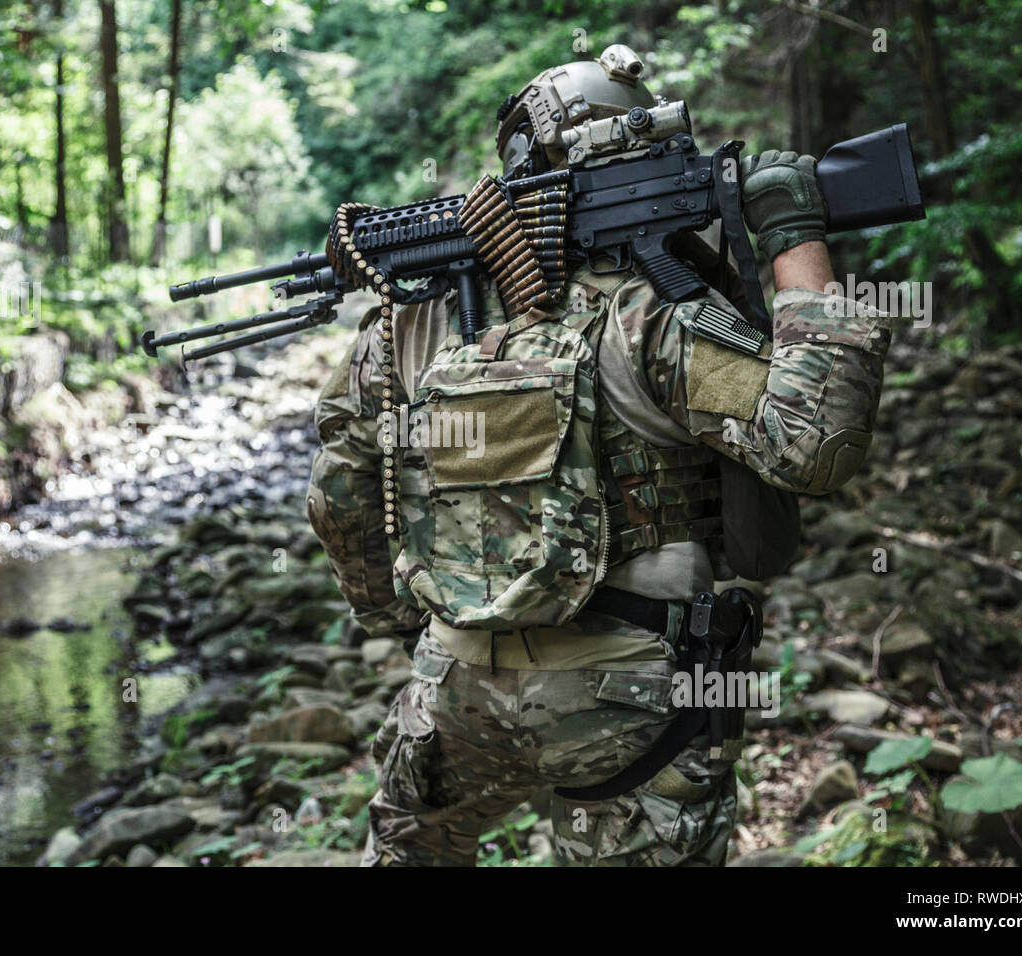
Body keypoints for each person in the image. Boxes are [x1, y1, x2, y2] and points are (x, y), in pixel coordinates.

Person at [306, 44, 890, 866]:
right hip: (635, 701)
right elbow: (813, 443)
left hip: (454, 690)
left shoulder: (408, 323)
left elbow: (338, 500)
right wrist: (792, 234)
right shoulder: (651, 316)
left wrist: (408, 619)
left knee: (413, 844)